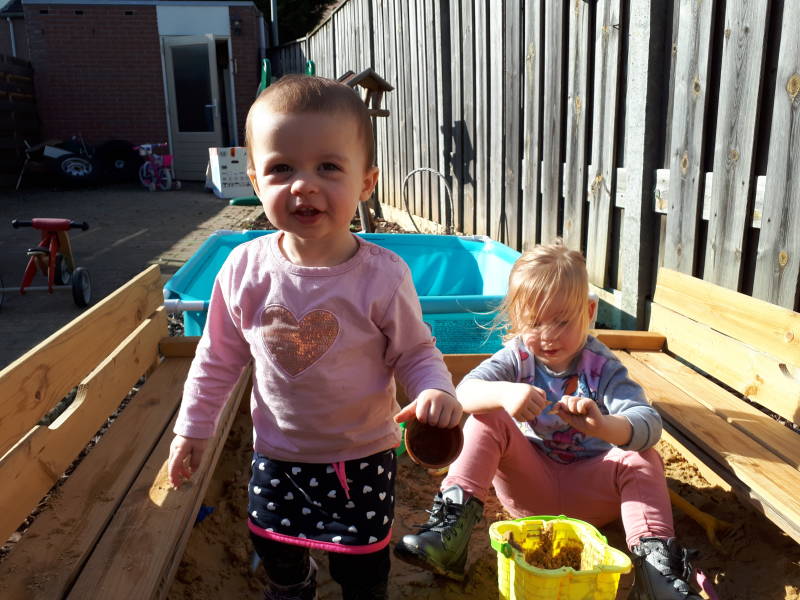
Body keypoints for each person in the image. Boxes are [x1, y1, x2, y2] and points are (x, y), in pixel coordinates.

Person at [167, 74, 462, 600]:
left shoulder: (383, 276)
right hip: (277, 451)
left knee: (361, 565)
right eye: (282, 168)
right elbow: (216, 359)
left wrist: (434, 389)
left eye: (328, 166)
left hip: (360, 456)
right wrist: (193, 428)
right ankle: (294, 585)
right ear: (255, 181)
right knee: (275, 546)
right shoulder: (244, 270)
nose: (303, 184)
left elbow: (415, 351)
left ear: (366, 183)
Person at [395, 241, 702, 600]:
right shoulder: (517, 358)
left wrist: (603, 426)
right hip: (530, 490)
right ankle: (447, 535)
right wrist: (505, 393)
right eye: (535, 322)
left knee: (642, 457)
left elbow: (648, 422)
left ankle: (656, 572)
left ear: (589, 311)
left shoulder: (602, 367)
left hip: (591, 495)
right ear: (517, 319)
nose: (548, 335)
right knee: (485, 418)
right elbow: (464, 393)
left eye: (562, 321)